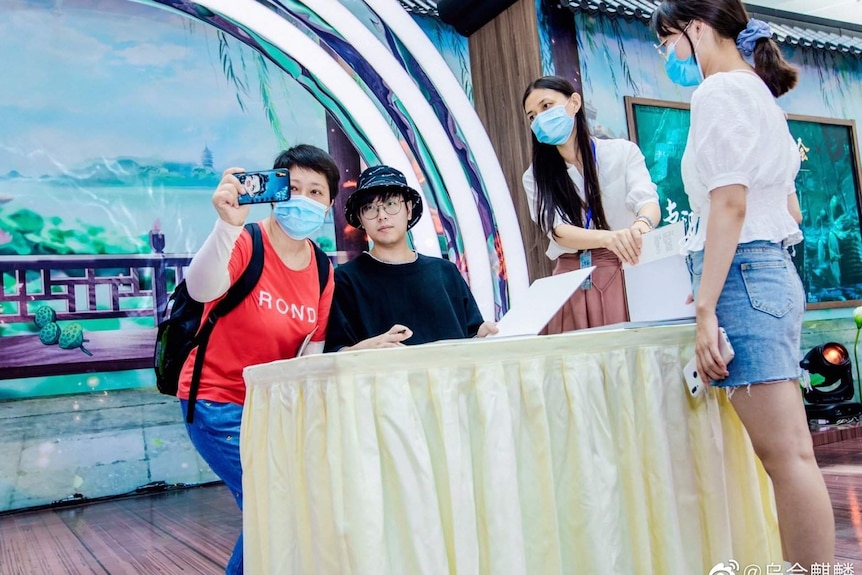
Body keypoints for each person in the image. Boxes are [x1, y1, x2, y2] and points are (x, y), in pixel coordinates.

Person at [652, 0, 835, 566]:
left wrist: (707, 304)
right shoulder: (756, 92)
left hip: (748, 272)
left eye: (668, 41)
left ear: (697, 29)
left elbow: (729, 204)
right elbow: (788, 210)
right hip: (766, 271)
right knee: (791, 455)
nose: (668, 54)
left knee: (788, 457)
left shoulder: (718, 92)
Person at [176, 144, 340, 575]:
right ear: (274, 190)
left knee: (285, 504)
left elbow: (310, 354)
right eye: (294, 186)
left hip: (272, 410)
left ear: (328, 204)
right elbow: (201, 288)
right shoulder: (248, 241)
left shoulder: (323, 271)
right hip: (217, 401)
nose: (303, 199)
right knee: (273, 502)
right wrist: (226, 226)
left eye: (316, 192)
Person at [521, 76, 660, 332]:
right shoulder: (534, 176)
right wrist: (608, 238)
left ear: (574, 102)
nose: (539, 118)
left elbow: (648, 202)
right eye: (531, 116)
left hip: (624, 265)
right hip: (570, 279)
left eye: (546, 106)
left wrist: (640, 226)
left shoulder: (622, 152)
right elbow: (558, 230)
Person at [323, 164, 496, 351]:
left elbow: (471, 333)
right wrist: (364, 350)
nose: (382, 216)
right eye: (370, 208)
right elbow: (335, 355)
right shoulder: (345, 281)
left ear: (409, 209)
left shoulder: (445, 272)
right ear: (361, 219)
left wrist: (482, 335)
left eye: (391, 204)